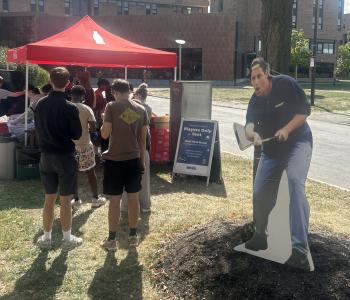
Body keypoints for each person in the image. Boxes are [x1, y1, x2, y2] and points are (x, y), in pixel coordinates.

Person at [244, 57, 313, 271]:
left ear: (267, 74)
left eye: (259, 77)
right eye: (252, 78)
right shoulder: (255, 100)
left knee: (294, 181)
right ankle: (260, 236)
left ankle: (300, 250)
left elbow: (304, 111)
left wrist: (286, 129)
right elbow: (248, 125)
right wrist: (252, 135)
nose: (256, 82)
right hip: (272, 151)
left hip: (298, 143)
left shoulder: (286, 84)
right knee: (259, 192)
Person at [34, 67, 83, 251]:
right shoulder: (70, 107)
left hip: (46, 155)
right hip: (64, 156)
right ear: (69, 83)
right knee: (65, 199)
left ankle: (46, 238)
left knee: (49, 198)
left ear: (50, 81)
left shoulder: (40, 104)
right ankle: (67, 238)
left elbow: (37, 128)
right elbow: (77, 135)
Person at [100, 79, 148, 251]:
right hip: (134, 159)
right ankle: (133, 236)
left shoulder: (111, 106)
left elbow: (104, 135)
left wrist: (103, 120)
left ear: (114, 92)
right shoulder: (141, 109)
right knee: (133, 199)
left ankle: (111, 240)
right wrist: (142, 161)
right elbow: (143, 141)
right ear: (129, 90)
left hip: (115, 160)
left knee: (114, 201)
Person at [70, 85, 106, 210]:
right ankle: (95, 198)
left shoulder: (66, 107)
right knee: (90, 172)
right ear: (83, 96)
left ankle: (75, 200)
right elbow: (92, 128)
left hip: (70, 146)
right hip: (85, 144)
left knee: (72, 173)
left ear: (71, 95)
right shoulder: (86, 109)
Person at [121, 83, 154, 213]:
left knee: (126, 180)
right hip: (142, 148)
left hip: (130, 148)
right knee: (144, 179)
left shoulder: (132, 109)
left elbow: (127, 129)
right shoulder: (146, 109)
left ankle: (125, 206)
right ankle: (145, 205)